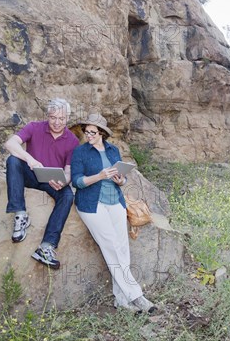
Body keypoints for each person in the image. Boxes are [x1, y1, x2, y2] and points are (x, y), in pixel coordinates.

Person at [70, 113, 157, 313]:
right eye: (86, 132)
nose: (88, 135)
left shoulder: (113, 150)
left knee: (122, 249)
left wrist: (120, 180)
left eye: (92, 132)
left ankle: (121, 300)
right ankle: (137, 296)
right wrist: (99, 176)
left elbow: (123, 180)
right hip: (91, 204)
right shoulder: (80, 152)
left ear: (101, 133)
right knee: (111, 246)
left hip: (115, 201)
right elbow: (76, 181)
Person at [4, 98, 79, 269]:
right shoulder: (34, 127)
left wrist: (63, 181)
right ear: (48, 116)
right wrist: (30, 160)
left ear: (67, 118)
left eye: (61, 118)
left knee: (67, 195)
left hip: (51, 182)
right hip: (31, 175)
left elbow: (69, 170)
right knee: (13, 161)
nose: (57, 122)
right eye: (53, 118)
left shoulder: (73, 141)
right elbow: (10, 143)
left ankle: (46, 247)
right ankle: (21, 215)